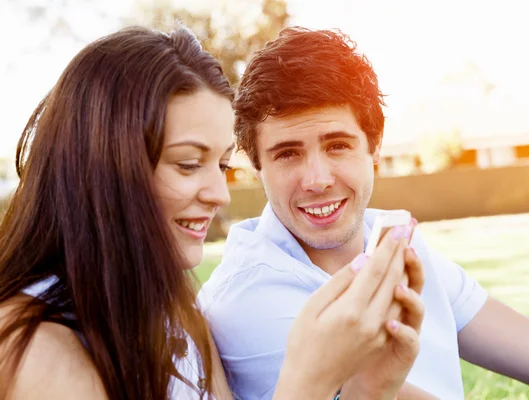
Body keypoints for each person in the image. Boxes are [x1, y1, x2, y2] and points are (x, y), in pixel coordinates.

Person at [0, 26, 424, 399]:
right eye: (187, 164)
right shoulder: (31, 343)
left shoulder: (173, 312)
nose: (219, 194)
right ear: (99, 167)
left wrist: (371, 384)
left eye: (221, 165)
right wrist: (305, 382)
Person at [200, 26, 529, 400]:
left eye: (337, 145)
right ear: (256, 165)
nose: (317, 179)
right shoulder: (247, 299)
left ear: (374, 147)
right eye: (287, 154)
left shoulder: (390, 237)